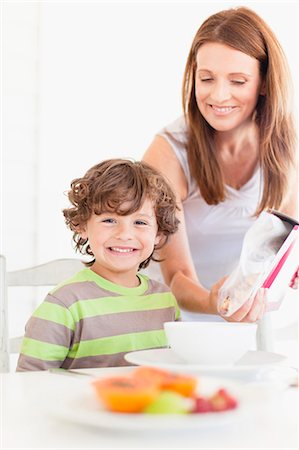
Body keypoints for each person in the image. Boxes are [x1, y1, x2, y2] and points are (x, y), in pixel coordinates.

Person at [143, 6, 298, 323]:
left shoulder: (288, 148)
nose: (219, 95)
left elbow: (282, 256)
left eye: (238, 81)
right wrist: (218, 304)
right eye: (207, 78)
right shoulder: (169, 153)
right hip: (174, 327)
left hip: (254, 329)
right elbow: (175, 276)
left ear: (264, 83)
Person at [16, 159, 180, 371]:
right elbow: (29, 384)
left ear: (158, 233)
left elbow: (173, 372)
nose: (124, 235)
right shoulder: (64, 304)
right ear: (82, 225)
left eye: (140, 222)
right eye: (109, 221)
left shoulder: (165, 301)